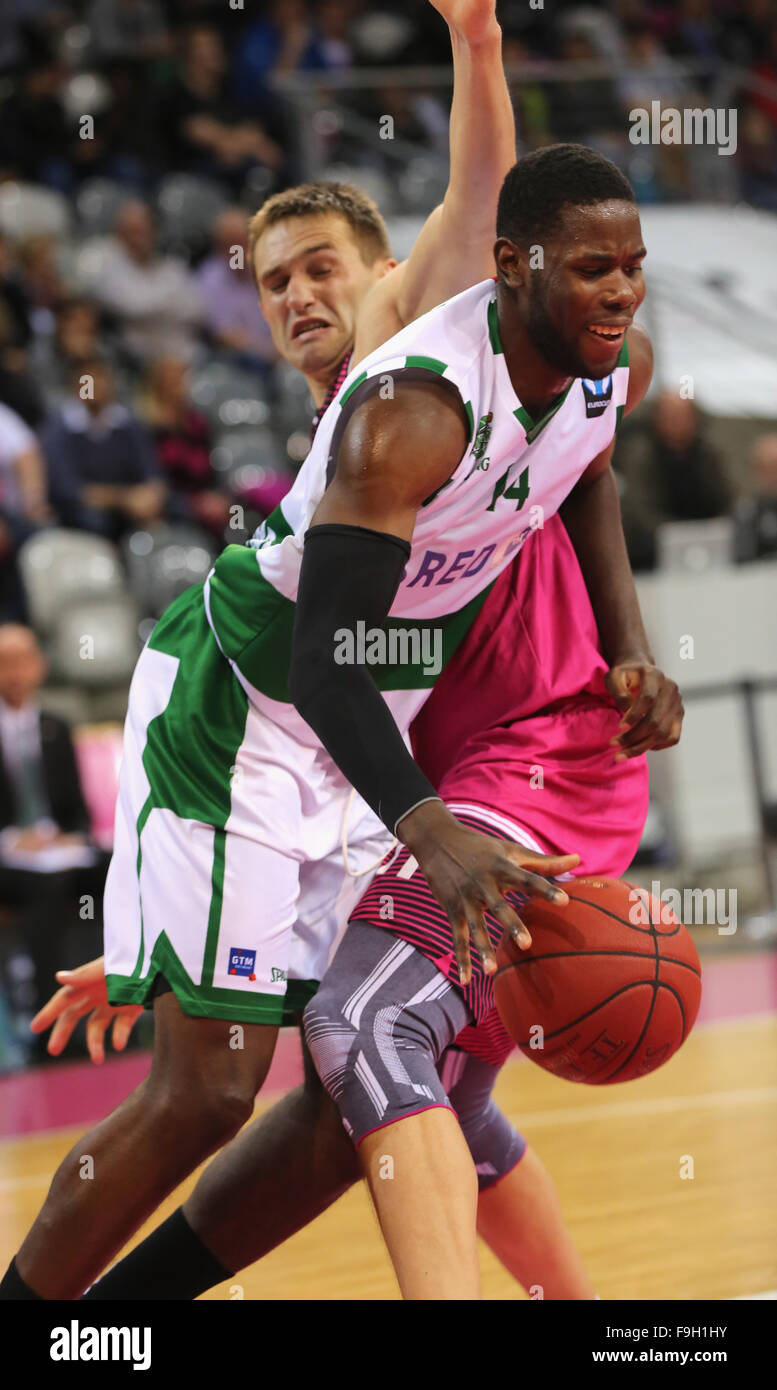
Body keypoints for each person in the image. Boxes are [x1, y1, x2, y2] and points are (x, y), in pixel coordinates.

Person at [0, 2, 584, 1302]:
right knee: (210, 1086)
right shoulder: (367, 408)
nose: (298, 296)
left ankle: (125, 1327)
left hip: (331, 759)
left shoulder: (414, 337)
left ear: (388, 274)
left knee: (353, 1088)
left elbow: (483, 194)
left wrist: (478, 42)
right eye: (273, 283)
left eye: (321, 265)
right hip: (236, 713)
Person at [0, 624, 104, 1056]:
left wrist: (69, 837)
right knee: (49, 889)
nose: (14, 673)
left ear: (40, 666)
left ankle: (118, 1009)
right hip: (10, 863)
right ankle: (49, 1025)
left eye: (22, 661)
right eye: (4, 664)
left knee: (113, 869)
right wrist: (12, 839)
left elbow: (78, 811)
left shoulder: (56, 727)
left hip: (58, 854)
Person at [40, 356, 166, 541]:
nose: (96, 387)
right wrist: (124, 499)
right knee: (95, 520)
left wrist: (151, 496)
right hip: (83, 514)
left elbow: (152, 472)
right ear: (74, 385)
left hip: (133, 504)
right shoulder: (58, 429)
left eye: (101, 379)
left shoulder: (128, 424)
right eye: (88, 381)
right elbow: (68, 490)